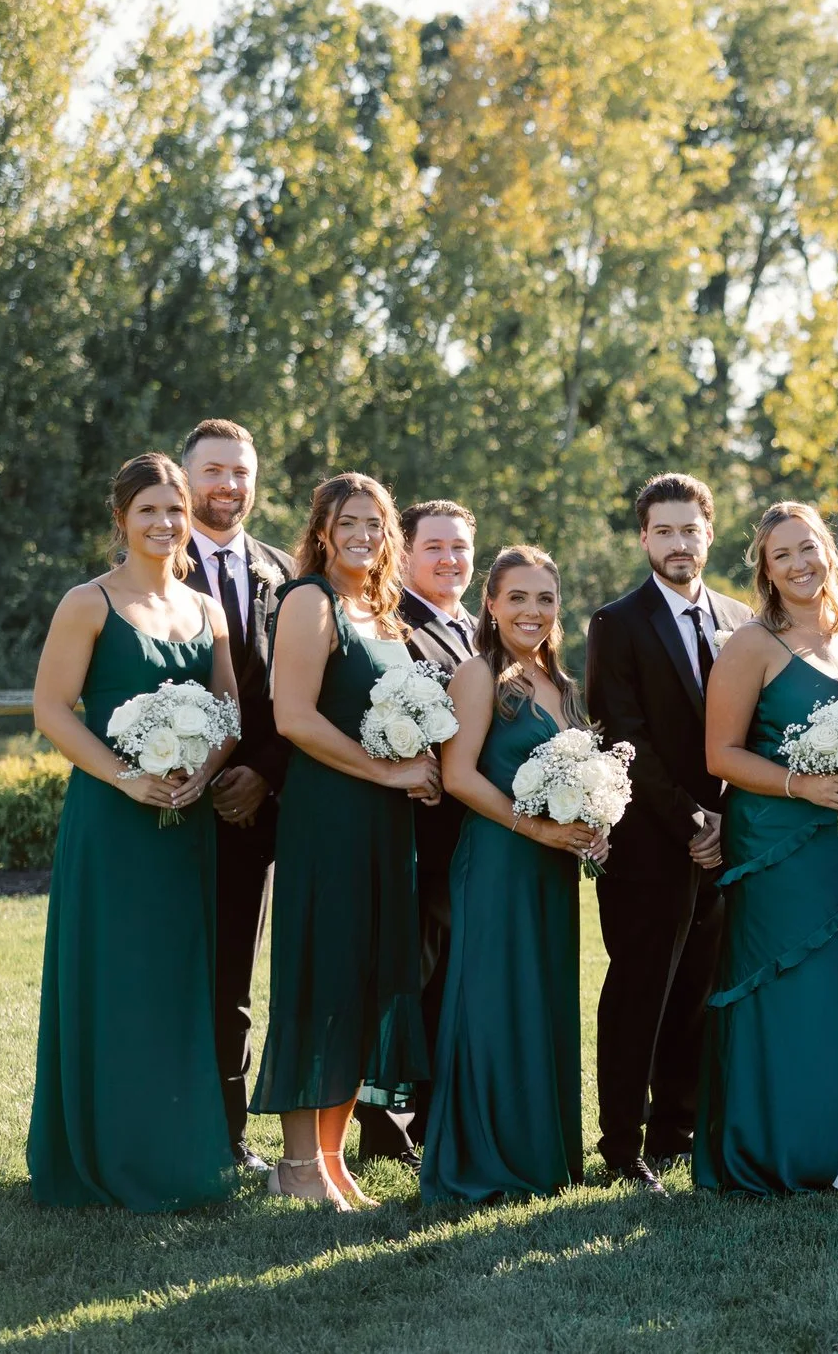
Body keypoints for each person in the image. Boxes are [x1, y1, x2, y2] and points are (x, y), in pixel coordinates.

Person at [27, 453, 240, 1211]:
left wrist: (203, 771)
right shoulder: (87, 603)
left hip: (183, 824)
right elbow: (52, 710)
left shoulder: (206, 609)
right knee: (114, 979)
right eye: (148, 510)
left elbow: (229, 713)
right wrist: (124, 776)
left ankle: (176, 1147)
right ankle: (100, 1149)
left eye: (174, 510)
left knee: (177, 982)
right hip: (112, 822)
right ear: (120, 518)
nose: (164, 523)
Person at [250, 473, 440, 1210]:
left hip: (385, 823)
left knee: (364, 981)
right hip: (329, 815)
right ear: (323, 531)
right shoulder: (310, 600)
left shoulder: (383, 614)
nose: (365, 534)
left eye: (377, 523)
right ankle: (297, 1164)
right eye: (349, 521)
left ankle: (330, 1158)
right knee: (321, 977)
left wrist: (417, 772)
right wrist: (386, 772)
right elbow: (293, 716)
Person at [696, 503, 838, 1194]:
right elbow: (721, 752)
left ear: (829, 551)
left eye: (809, 548)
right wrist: (800, 784)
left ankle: (837, 1148)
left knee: (837, 992)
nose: (801, 564)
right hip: (774, 844)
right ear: (766, 570)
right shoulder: (751, 643)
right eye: (783, 555)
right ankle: (764, 1147)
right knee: (778, 989)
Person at [419, 546, 604, 1204]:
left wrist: (592, 823)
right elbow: (460, 774)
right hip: (499, 859)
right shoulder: (479, 675)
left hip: (551, 869)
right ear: (490, 604)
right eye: (517, 597)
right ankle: (484, 1155)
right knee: (494, 1001)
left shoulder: (566, 686)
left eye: (545, 598)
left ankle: (542, 1155)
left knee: (543, 998)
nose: (532, 610)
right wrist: (538, 829)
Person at [584, 473, 752, 1189]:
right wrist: (693, 816)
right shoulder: (617, 623)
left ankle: (677, 1129)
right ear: (644, 537)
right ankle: (622, 1144)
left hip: (728, 844)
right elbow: (625, 735)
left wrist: (728, 821)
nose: (679, 543)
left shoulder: (742, 619)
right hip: (650, 844)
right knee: (640, 991)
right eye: (664, 530)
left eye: (691, 529)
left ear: (708, 533)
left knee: (698, 990)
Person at [179, 419, 294, 1175]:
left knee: (233, 978)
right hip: (163, 805)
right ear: (185, 476)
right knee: (162, 967)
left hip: (256, 812)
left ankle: (226, 1134)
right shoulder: (146, 561)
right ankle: (159, 1123)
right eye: (214, 470)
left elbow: (302, 692)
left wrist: (264, 774)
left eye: (241, 471)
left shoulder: (284, 572)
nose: (228, 485)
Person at [355, 497, 480, 1169]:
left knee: (449, 978)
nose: (449, 559)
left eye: (460, 547)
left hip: (472, 839)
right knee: (405, 975)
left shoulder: (479, 629)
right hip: (415, 832)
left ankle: (433, 1109)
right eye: (434, 546)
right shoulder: (391, 625)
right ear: (405, 554)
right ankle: (380, 1119)